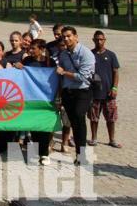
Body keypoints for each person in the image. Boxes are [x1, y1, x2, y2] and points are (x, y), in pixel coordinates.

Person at [56, 26, 95, 165]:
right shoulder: (64, 54)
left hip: (82, 91)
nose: (66, 39)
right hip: (68, 92)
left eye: (68, 36)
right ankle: (79, 153)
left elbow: (83, 77)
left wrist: (64, 73)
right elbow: (59, 75)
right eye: (64, 37)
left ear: (76, 37)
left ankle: (81, 154)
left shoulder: (86, 53)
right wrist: (59, 95)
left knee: (79, 117)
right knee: (74, 123)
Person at [18, 39, 54, 165]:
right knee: (34, 126)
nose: (31, 51)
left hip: (46, 99)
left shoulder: (50, 62)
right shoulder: (27, 60)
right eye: (30, 48)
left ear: (42, 49)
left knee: (44, 126)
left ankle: (44, 154)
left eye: (34, 48)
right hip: (30, 98)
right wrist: (19, 68)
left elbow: (55, 80)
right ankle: (39, 151)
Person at [88, 30, 121, 149]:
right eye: (96, 39)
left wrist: (115, 87)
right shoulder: (90, 54)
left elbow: (116, 72)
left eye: (101, 39)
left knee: (111, 118)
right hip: (94, 93)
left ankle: (112, 139)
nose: (99, 41)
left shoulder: (111, 55)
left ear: (105, 40)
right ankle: (94, 138)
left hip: (109, 92)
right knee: (93, 117)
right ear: (93, 40)